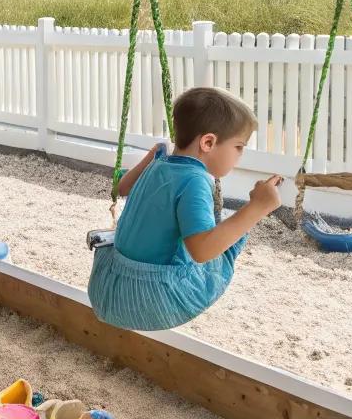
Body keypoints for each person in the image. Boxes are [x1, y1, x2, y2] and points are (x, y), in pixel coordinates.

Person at [87, 86, 281, 332]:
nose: (240, 156)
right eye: (239, 147)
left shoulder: (158, 166)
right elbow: (202, 251)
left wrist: (152, 157)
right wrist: (257, 207)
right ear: (208, 142)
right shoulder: (195, 180)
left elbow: (121, 187)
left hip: (107, 286)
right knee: (227, 246)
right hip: (153, 300)